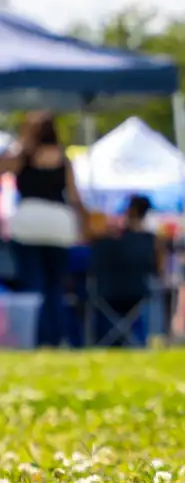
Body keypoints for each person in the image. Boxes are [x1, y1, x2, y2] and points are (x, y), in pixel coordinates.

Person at [0, 112, 85, 347]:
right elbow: (75, 196)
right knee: (56, 286)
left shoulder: (22, 155)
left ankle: (38, 337)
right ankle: (57, 338)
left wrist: (20, 143)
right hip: (59, 225)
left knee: (33, 284)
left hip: (28, 224)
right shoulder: (63, 158)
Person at [94, 195, 164, 347]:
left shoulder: (108, 239)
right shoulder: (151, 241)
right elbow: (158, 270)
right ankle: (143, 340)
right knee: (155, 293)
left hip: (106, 293)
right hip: (138, 293)